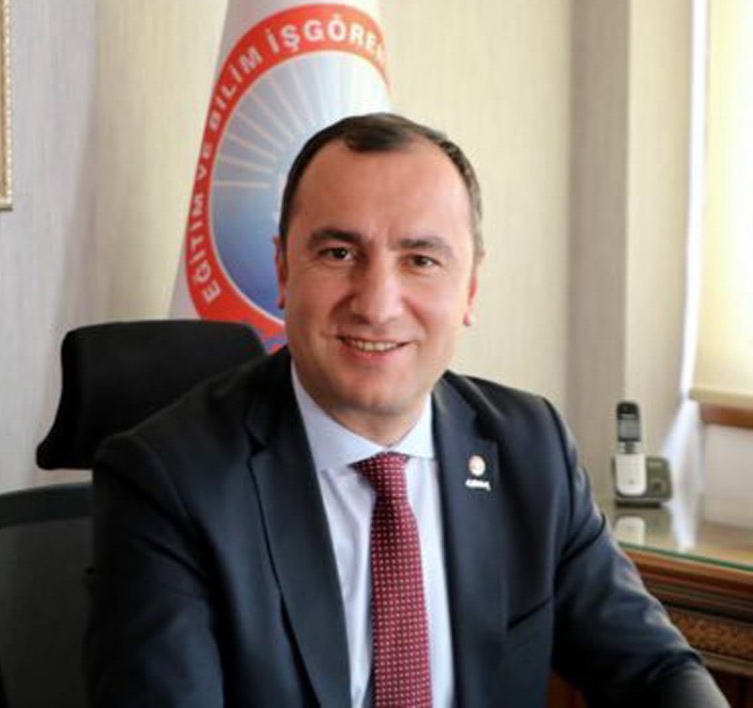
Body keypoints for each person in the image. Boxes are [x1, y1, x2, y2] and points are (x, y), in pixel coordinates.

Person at [85, 113, 728, 707]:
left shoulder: (531, 448)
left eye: (420, 260)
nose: (377, 304)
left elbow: (656, 671)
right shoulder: (171, 482)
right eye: (339, 254)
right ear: (283, 270)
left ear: (470, 288)